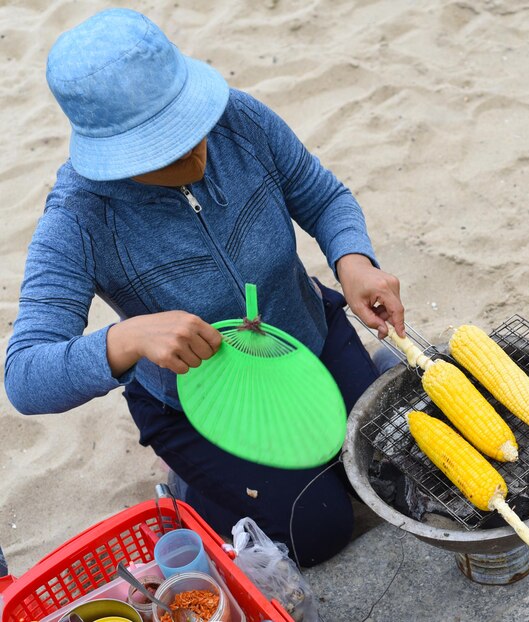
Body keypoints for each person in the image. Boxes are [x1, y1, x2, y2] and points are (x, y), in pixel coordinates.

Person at [4, 8, 405, 567]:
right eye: (163, 148)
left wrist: (352, 261)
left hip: (305, 343)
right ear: (112, 155)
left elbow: (322, 195)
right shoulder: (78, 217)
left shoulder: (237, 119)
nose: (196, 150)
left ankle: (364, 376)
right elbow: (25, 376)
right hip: (203, 403)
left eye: (190, 125)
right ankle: (187, 486)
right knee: (320, 529)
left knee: (391, 473)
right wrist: (126, 338)